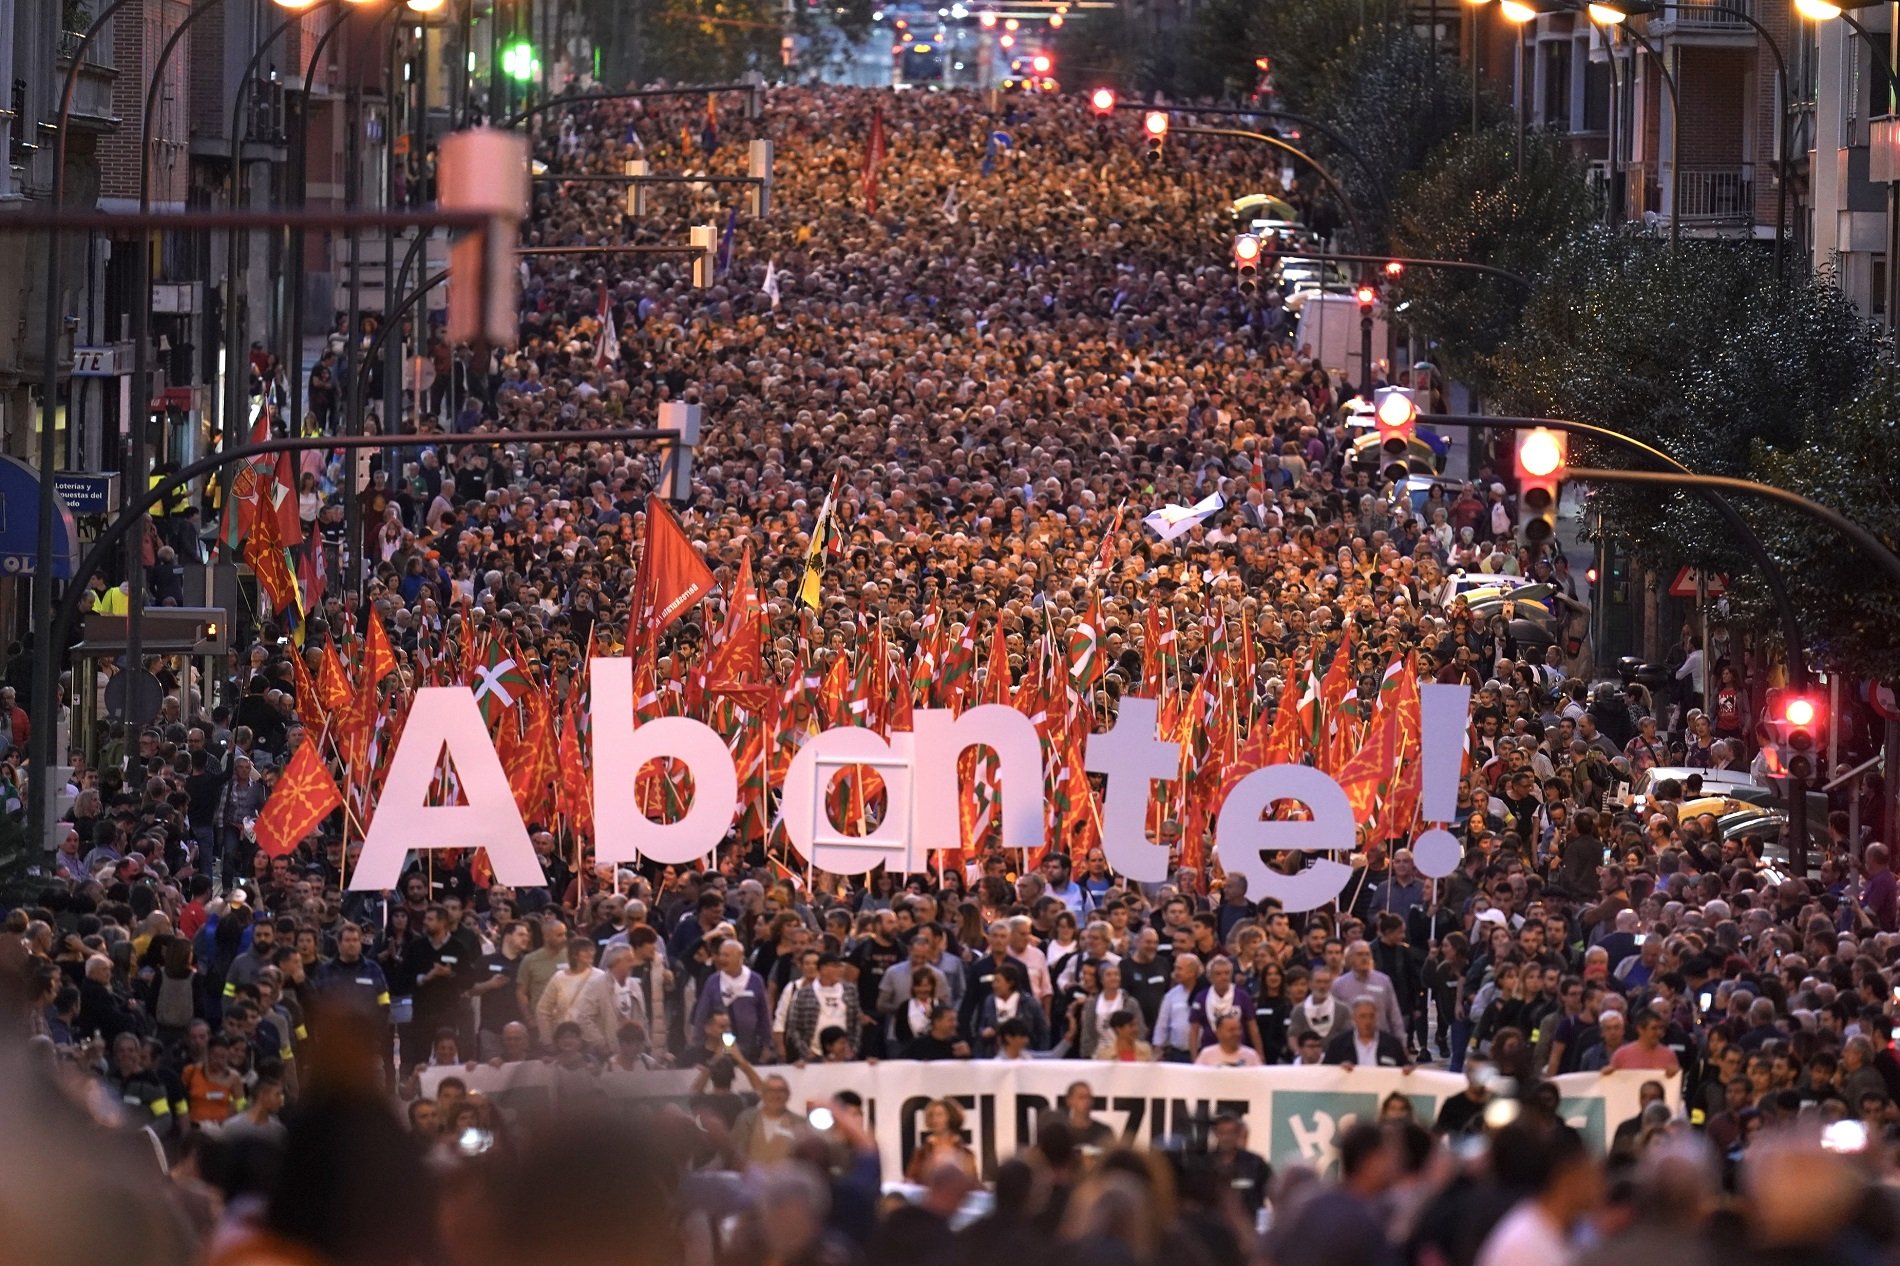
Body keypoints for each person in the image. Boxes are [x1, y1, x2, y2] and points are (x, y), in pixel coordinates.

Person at [1475, 1124, 1602, 1266]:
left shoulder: (1583, 1231)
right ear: (1568, 1176)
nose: (1600, 1181)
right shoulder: (1522, 1245)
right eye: (1590, 1170)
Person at [1324, 997, 1414, 1070]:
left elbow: (1406, 1067)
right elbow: (1325, 1071)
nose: (1368, 1021)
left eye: (1371, 1016)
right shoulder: (1338, 1045)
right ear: (1353, 1018)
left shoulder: (1392, 1044)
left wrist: (1407, 1070)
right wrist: (1338, 1070)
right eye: (1362, 1016)